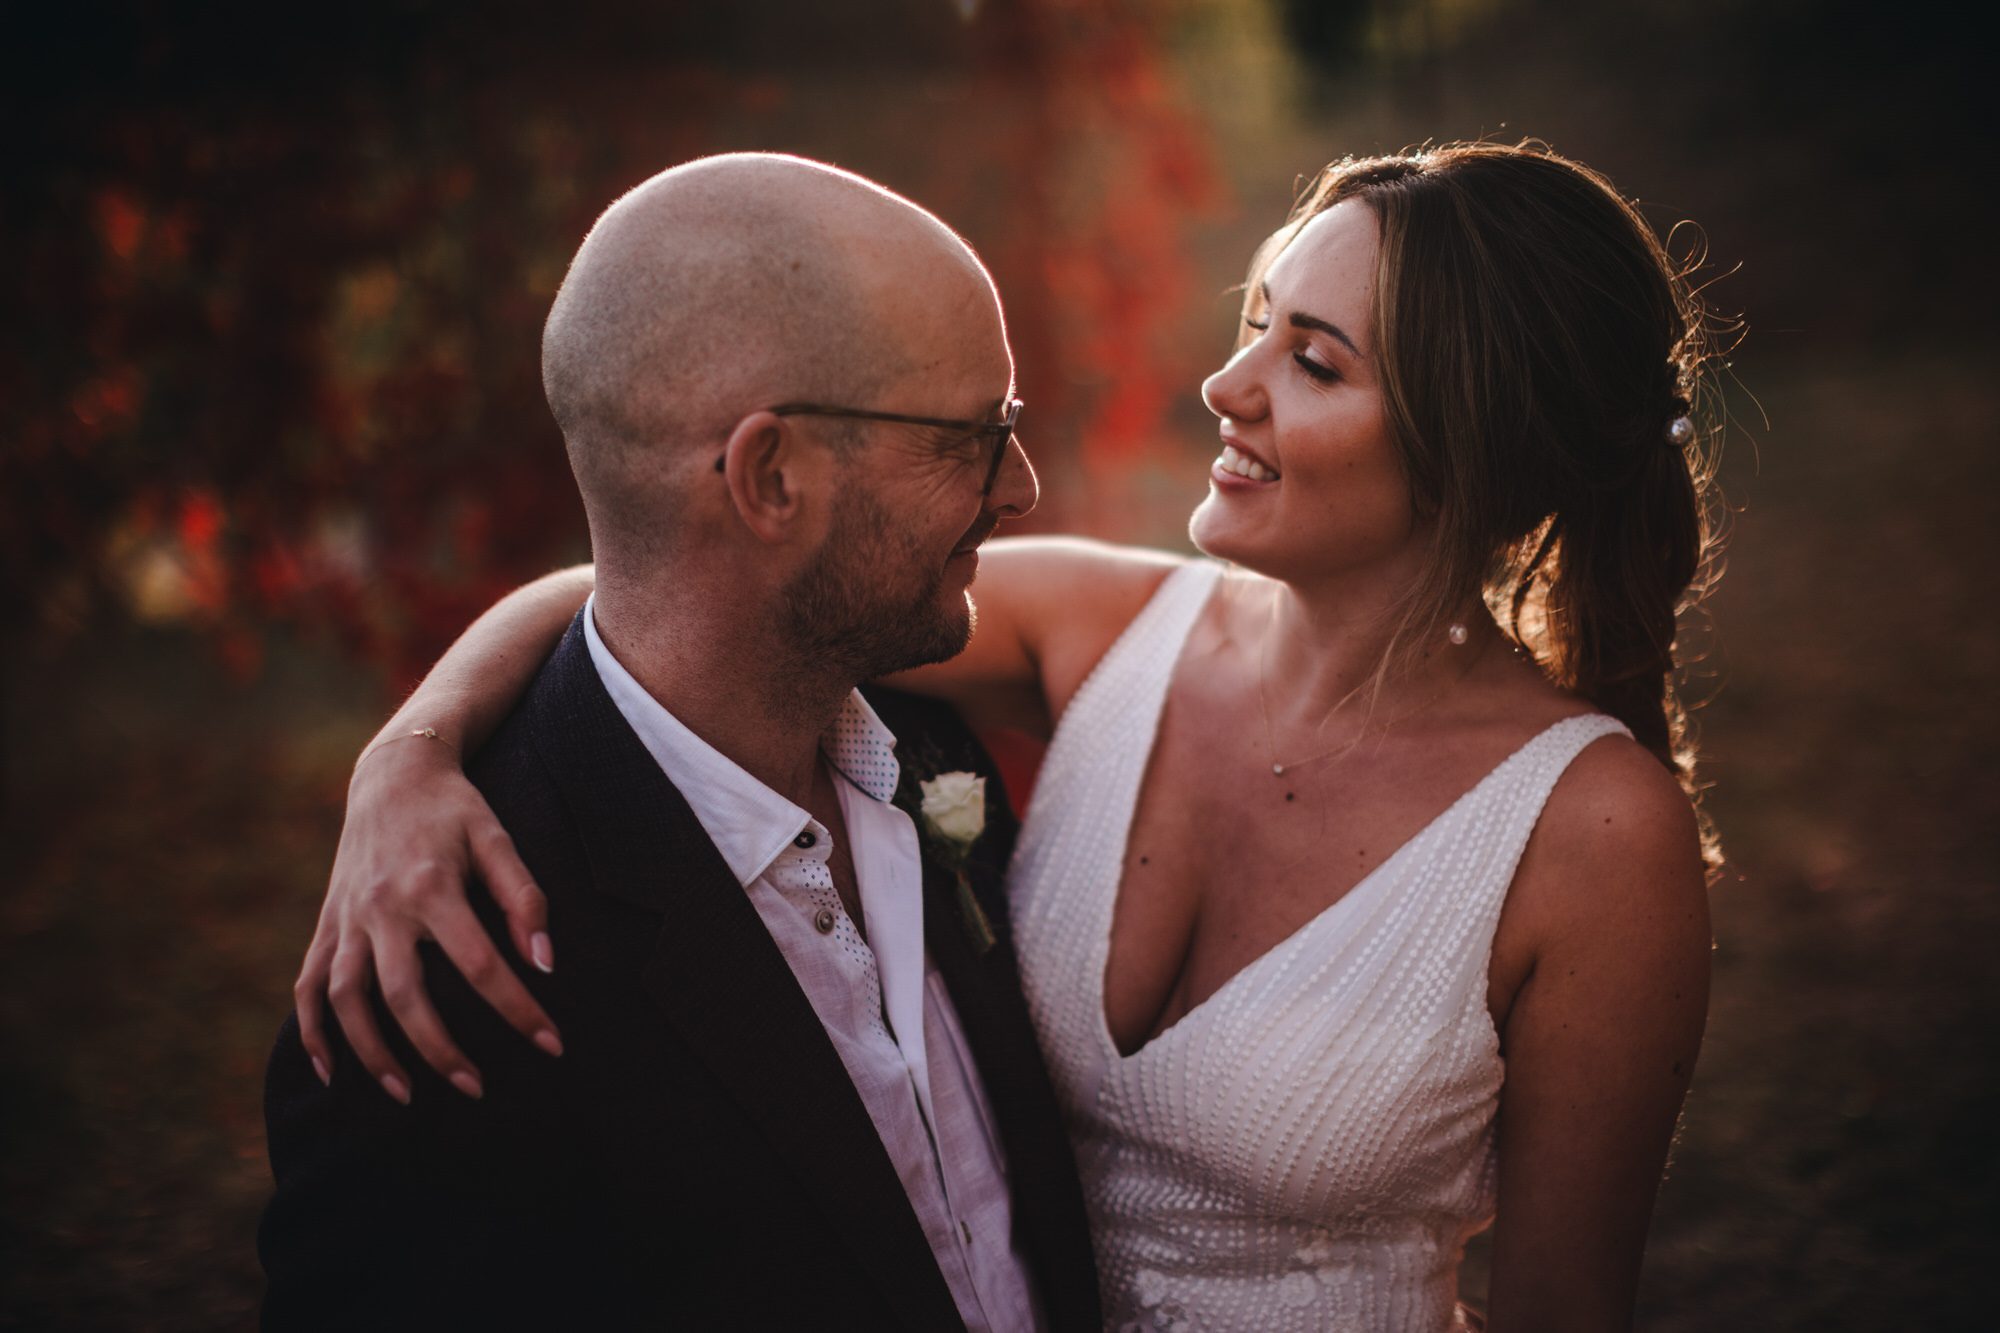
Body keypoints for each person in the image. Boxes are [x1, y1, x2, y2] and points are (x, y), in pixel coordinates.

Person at [294, 142, 1720, 1331]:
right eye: (1256, 321)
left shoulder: (1597, 834)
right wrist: (412, 748)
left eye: (1317, 360)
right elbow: (686, 569)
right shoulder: (1103, 633)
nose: (1230, 385)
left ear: (1473, 445)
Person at [258, 153, 1103, 1331]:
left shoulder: (934, 747)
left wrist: (409, 737)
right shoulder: (441, 999)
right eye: (970, 435)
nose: (1019, 486)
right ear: (769, 476)